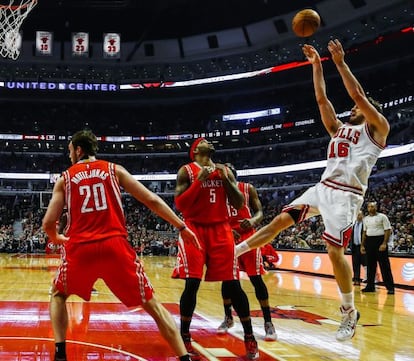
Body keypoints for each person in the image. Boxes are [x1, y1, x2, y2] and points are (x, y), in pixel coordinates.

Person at [235, 39, 390, 342]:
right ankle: (236, 251)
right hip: (322, 188)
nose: (354, 106)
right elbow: (322, 100)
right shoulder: (338, 129)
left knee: (334, 252)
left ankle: (349, 312)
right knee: (280, 221)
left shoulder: (377, 128)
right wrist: (316, 65)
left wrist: (341, 63)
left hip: (346, 195)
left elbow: (357, 93)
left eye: (360, 106)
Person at [42, 129, 200, 361]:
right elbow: (151, 199)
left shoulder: (65, 178)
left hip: (81, 247)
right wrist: (181, 227)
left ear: (78, 149)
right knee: (153, 305)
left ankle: (60, 354)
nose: (69, 157)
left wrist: (55, 238)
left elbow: (48, 222)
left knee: (58, 294)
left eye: (70, 151)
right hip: (114, 246)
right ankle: (184, 357)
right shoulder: (114, 170)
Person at [172, 138, 259, 360]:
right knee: (192, 283)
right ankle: (184, 336)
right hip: (195, 229)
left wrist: (226, 180)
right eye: (204, 142)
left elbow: (240, 204)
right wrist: (199, 181)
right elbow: (180, 204)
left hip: (221, 229)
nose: (209, 142)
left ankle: (250, 337)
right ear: (195, 151)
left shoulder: (224, 170)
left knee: (233, 284)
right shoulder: (186, 171)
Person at [217, 164, 277, 341]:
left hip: (249, 239)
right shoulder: (218, 193)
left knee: (256, 279)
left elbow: (260, 213)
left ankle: (268, 322)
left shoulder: (247, 188)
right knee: (228, 280)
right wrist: (225, 230)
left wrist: (252, 221)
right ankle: (228, 317)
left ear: (232, 174)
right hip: (228, 239)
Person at [361, 201, 395, 294]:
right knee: (370, 266)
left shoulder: (382, 217)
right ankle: (370, 286)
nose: (371, 208)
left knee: (384, 266)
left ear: (376, 207)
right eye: (369, 207)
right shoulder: (365, 219)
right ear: (367, 208)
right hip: (369, 241)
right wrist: (362, 245)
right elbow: (364, 232)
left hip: (380, 241)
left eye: (373, 206)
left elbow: (387, 230)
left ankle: (390, 287)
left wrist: (384, 243)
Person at [351, 211, 366, 286]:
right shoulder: (353, 224)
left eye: (360, 215)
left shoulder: (365, 224)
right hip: (355, 247)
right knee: (355, 264)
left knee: (365, 264)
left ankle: (370, 279)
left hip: (363, 247)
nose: (358, 216)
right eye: (357, 215)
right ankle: (356, 279)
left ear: (362, 215)